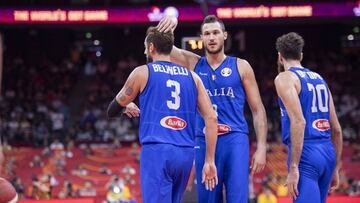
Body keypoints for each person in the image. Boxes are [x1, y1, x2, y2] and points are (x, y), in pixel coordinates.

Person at [157, 15, 268, 202]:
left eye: (216, 33)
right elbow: (164, 45)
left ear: (224, 35)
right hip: (204, 140)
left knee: (238, 198)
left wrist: (262, 147)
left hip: (235, 139)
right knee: (208, 199)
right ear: (201, 38)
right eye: (207, 34)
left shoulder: (241, 66)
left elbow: (258, 110)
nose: (212, 37)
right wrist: (171, 24)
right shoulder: (193, 63)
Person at [107, 27, 218, 203]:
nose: (145, 51)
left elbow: (111, 110)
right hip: (186, 154)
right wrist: (209, 160)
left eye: (145, 47)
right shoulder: (193, 77)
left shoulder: (142, 72)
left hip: (157, 151)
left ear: (151, 47)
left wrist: (125, 106)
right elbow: (211, 118)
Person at [274, 32, 343, 203]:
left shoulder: (285, 78)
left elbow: (299, 121)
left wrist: (294, 167)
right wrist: (335, 168)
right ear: (301, 55)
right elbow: (337, 129)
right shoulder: (320, 80)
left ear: (280, 56)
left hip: (307, 154)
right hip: (327, 152)